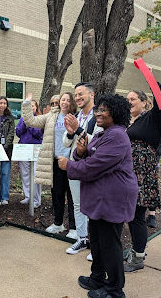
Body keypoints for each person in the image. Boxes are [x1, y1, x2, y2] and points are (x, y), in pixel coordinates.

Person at [58, 94, 138, 298]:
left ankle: (115, 290)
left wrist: (70, 166)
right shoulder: (104, 134)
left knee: (110, 243)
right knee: (97, 240)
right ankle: (97, 278)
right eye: (98, 109)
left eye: (104, 110)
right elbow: (90, 158)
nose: (98, 113)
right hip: (101, 198)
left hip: (113, 198)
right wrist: (81, 152)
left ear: (116, 113)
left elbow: (96, 166)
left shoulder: (118, 137)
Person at [124, 83, 161, 272]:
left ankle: (138, 257)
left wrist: (150, 77)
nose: (129, 102)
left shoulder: (151, 118)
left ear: (144, 102)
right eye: (127, 100)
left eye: (133, 99)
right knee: (131, 215)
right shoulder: (128, 122)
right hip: (128, 173)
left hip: (141, 175)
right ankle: (134, 250)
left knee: (137, 215)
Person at [22, 92, 77, 238]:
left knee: (73, 196)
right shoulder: (51, 116)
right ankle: (58, 223)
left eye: (67, 100)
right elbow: (30, 121)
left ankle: (74, 228)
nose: (64, 102)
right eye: (62, 100)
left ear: (72, 102)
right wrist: (27, 103)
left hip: (72, 162)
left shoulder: (77, 118)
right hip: (56, 161)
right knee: (57, 194)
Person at [63, 82, 101, 255]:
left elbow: (97, 141)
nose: (77, 97)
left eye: (81, 94)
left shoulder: (99, 117)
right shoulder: (76, 116)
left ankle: (97, 245)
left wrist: (77, 130)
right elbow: (66, 142)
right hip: (75, 164)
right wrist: (70, 132)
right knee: (77, 204)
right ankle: (81, 239)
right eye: (76, 94)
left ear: (91, 95)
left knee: (93, 205)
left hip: (91, 166)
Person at [15, 99, 43, 208]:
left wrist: (30, 124)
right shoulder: (22, 118)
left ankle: (36, 200)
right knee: (25, 174)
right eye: (29, 106)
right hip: (23, 149)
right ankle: (28, 196)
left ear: (36, 107)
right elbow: (18, 132)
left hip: (35, 149)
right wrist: (24, 124)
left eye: (33, 106)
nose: (31, 108)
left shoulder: (40, 119)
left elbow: (39, 134)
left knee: (35, 175)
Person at [146, 123, 161, 228]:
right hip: (137, 161)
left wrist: (155, 154)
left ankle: (152, 215)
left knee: (151, 187)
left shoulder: (159, 124)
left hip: (153, 162)